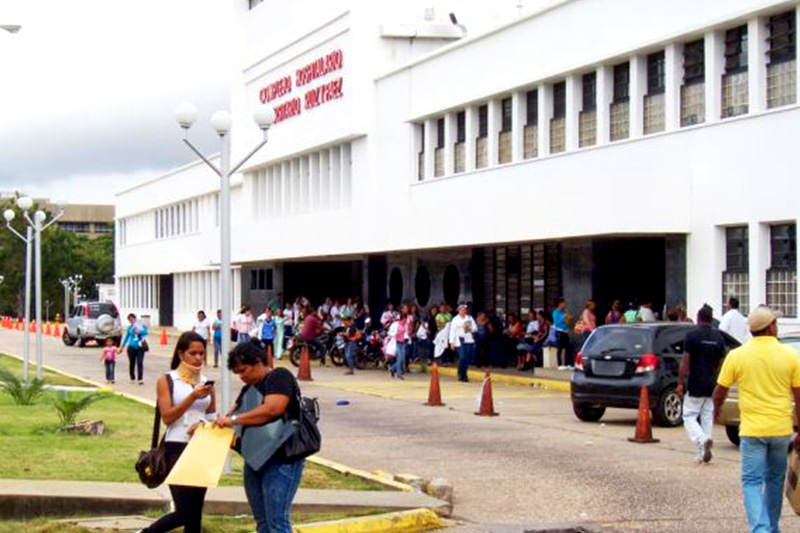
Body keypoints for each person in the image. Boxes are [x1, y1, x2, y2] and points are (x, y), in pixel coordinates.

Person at [713, 306, 800, 533]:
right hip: (780, 429)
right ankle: (771, 526)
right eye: (775, 323)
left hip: (752, 430)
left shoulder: (737, 355)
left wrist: (716, 411)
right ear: (770, 327)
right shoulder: (790, 355)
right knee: (775, 480)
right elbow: (799, 397)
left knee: (752, 481)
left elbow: (720, 390)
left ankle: (760, 528)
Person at [216, 341, 305, 533]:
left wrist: (234, 419)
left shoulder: (279, 377)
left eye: (243, 370)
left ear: (257, 362)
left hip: (282, 459)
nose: (242, 377)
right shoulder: (248, 389)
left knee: (277, 521)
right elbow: (230, 416)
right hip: (256, 458)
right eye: (238, 373)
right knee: (263, 522)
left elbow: (273, 409)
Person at [142, 331, 216, 533]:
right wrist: (192, 396)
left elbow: (212, 416)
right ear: (181, 354)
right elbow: (167, 417)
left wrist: (206, 425)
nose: (199, 357)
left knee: (196, 512)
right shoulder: (167, 380)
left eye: (202, 353)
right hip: (176, 446)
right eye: (193, 353)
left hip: (201, 446)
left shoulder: (207, 382)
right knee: (184, 511)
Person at [677, 305, 727, 464]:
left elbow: (685, 361)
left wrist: (680, 382)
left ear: (698, 318)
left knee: (689, 416)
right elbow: (722, 361)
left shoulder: (692, 335)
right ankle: (702, 452)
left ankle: (702, 439)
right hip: (711, 383)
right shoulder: (719, 337)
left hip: (695, 382)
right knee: (706, 416)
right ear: (712, 319)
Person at [449, 304, 477, 382]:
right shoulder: (455, 319)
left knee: (467, 358)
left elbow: (475, 328)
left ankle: (464, 375)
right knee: (462, 357)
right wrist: (451, 342)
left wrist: (471, 328)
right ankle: (461, 373)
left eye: (465, 310)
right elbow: (452, 331)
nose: (463, 311)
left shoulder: (469, 318)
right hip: (459, 340)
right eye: (462, 310)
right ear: (459, 310)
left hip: (468, 339)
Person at [119, 313, 148, 385]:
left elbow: (146, 332)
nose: (131, 321)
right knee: (132, 363)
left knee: (140, 362)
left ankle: (140, 379)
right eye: (130, 320)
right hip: (131, 347)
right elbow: (126, 338)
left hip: (140, 347)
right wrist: (122, 347)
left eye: (132, 319)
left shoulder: (140, 326)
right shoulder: (129, 328)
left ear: (135, 319)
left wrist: (139, 332)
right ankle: (132, 377)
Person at [390, 306, 409, 379]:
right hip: (397, 343)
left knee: (402, 359)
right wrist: (398, 332)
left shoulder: (405, 325)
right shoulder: (396, 325)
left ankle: (392, 369)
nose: (405, 321)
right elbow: (392, 333)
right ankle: (399, 373)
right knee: (399, 358)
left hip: (402, 343)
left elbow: (406, 334)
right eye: (404, 319)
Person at [552, 298, 572, 369]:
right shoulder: (555, 312)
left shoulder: (564, 311)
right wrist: (563, 317)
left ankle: (567, 364)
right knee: (559, 348)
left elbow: (567, 322)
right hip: (559, 332)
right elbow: (556, 323)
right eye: (563, 303)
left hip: (565, 331)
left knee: (568, 347)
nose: (565, 304)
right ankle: (559, 364)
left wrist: (568, 319)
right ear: (560, 304)